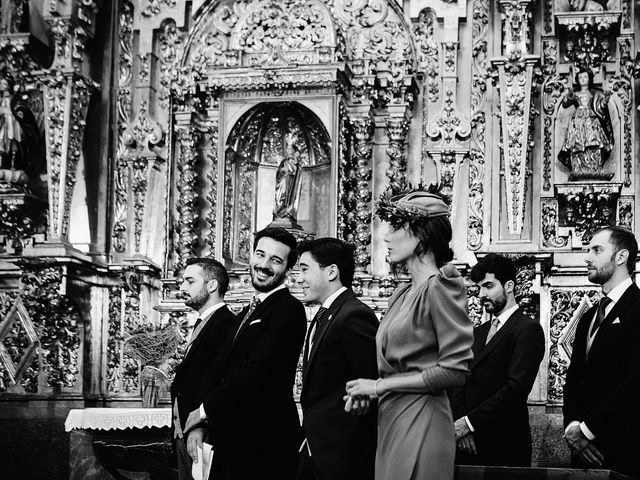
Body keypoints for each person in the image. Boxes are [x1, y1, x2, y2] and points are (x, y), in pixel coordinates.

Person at [345, 184, 474, 480]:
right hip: (392, 419)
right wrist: (372, 393)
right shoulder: (401, 295)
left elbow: (455, 370)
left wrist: (379, 387)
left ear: (421, 235)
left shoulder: (441, 286)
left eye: (396, 226)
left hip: (424, 420)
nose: (386, 236)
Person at [184, 227, 307, 480]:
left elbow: (257, 369)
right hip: (228, 439)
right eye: (260, 255)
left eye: (275, 260)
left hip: (265, 442)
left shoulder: (289, 310)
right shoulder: (243, 313)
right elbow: (216, 368)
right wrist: (200, 423)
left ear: (288, 270)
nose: (263, 265)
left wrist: (205, 410)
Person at [450, 253, 545, 467]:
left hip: (504, 444)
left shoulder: (527, 329)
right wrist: (460, 422)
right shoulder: (478, 332)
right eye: (479, 288)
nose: (482, 294)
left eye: (489, 286)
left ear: (509, 286)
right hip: (465, 445)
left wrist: (469, 423)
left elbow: (516, 388)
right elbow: (459, 379)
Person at [296, 238, 378, 480]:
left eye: (304, 269)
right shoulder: (326, 315)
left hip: (341, 457)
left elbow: (371, 384)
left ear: (331, 272)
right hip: (315, 448)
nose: (298, 279)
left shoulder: (354, 315)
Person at [563, 226, 640, 478]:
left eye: (596, 250)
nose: (587, 257)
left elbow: (634, 381)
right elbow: (574, 378)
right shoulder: (587, 317)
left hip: (624, 450)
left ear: (621, 257)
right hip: (582, 453)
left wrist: (587, 430)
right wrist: (574, 427)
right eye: (588, 250)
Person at [171, 257, 235, 480]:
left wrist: (202, 423)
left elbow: (221, 380)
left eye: (190, 281)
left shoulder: (227, 323)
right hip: (185, 431)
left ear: (211, 285)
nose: (182, 288)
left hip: (203, 433)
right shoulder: (204, 322)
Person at [558, 68, 614, 181]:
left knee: (594, 142)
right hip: (578, 120)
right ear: (577, 80)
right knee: (577, 144)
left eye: (585, 77)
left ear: (589, 79)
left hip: (592, 119)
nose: (583, 79)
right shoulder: (576, 93)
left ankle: (595, 167)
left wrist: (605, 101)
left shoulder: (594, 94)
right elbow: (565, 104)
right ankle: (578, 167)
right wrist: (569, 97)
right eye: (580, 77)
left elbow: (600, 107)